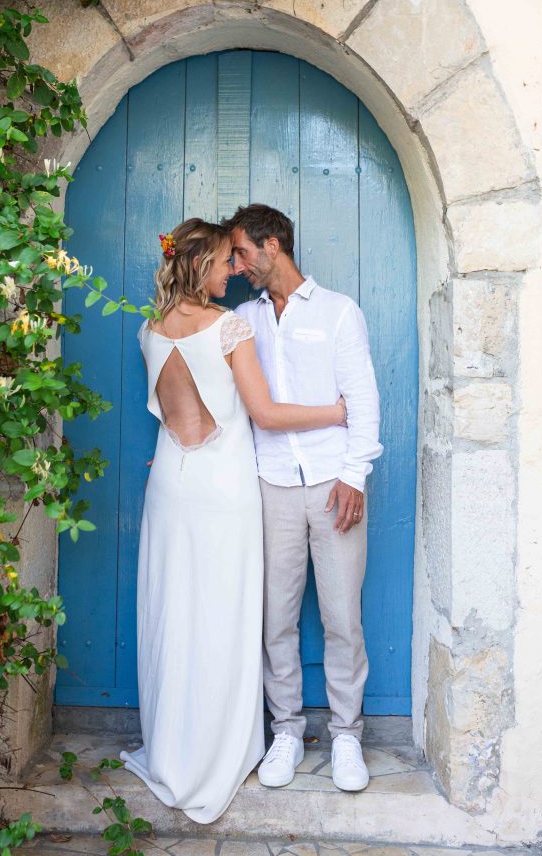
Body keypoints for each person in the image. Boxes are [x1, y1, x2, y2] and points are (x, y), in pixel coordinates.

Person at [119, 218, 347, 824]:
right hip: (224, 489)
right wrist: (337, 410)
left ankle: (174, 748)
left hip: (169, 481)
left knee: (175, 613)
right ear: (200, 266)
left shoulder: (149, 330)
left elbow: (172, 414)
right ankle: (220, 752)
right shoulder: (229, 327)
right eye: (224, 262)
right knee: (222, 616)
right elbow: (266, 414)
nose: (233, 272)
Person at [225, 203, 383, 793]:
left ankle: (346, 735)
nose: (236, 265)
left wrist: (355, 475)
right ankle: (286, 730)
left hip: (331, 483)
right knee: (276, 618)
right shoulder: (243, 319)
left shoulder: (339, 312)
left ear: (272, 246)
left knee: (343, 617)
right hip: (270, 484)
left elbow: (362, 400)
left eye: (241, 252)